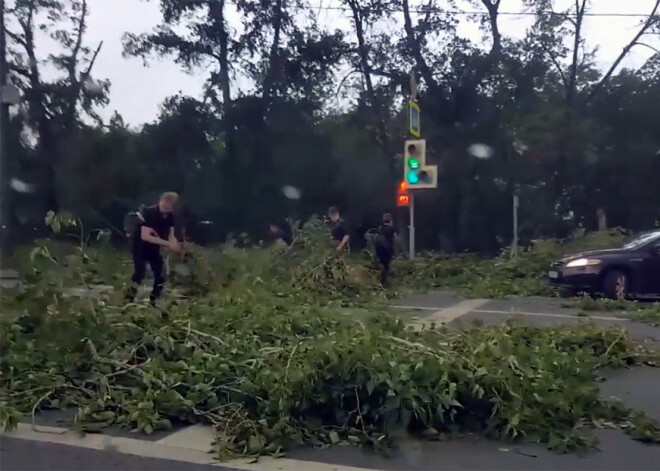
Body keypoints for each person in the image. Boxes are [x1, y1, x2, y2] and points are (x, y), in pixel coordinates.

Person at [125, 192, 182, 305]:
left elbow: (171, 234)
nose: (166, 205)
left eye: (169, 203)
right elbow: (145, 236)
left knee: (161, 274)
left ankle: (154, 300)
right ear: (160, 201)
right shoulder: (149, 213)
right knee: (139, 272)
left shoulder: (170, 217)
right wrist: (167, 243)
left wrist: (176, 246)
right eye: (164, 202)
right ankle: (128, 299)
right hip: (140, 245)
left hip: (154, 247)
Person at [374, 212, 396, 286]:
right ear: (390, 220)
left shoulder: (380, 228)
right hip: (387, 250)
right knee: (386, 266)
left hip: (379, 249)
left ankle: (379, 278)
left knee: (382, 263)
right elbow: (395, 239)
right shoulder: (391, 229)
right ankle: (382, 282)